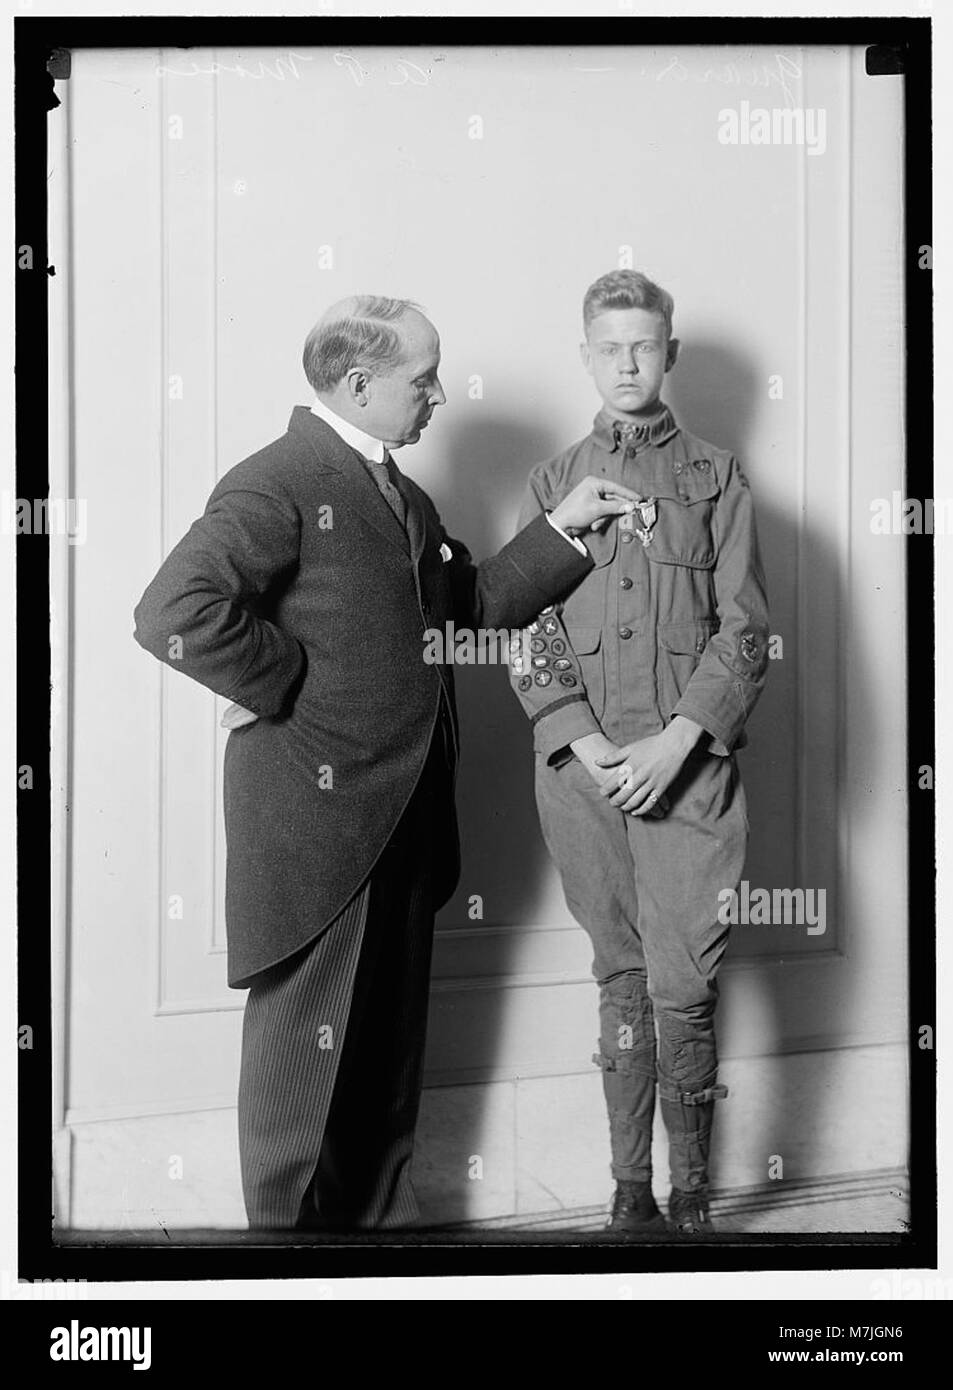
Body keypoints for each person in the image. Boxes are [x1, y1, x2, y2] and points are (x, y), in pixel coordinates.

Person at [133, 294, 639, 1232]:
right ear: (359, 384)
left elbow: (473, 608)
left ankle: (373, 1255)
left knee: (382, 1066)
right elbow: (172, 612)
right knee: (300, 1085)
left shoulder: (401, 494)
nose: (441, 394)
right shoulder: (278, 479)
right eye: (424, 378)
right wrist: (287, 681)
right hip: (320, 829)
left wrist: (564, 528)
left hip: (405, 817)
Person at [507, 270, 770, 1235]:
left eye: (644, 345)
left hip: (689, 775)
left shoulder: (717, 478)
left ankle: (693, 1200)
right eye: (608, 346)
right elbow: (524, 630)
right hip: (583, 781)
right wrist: (580, 743)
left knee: (683, 985)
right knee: (617, 976)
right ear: (585, 355)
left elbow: (742, 632)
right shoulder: (550, 484)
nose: (626, 363)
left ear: (670, 354)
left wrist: (678, 741)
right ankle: (630, 1198)